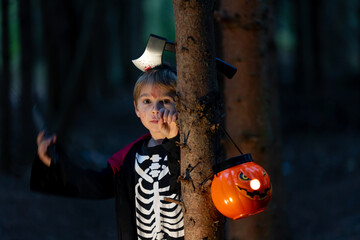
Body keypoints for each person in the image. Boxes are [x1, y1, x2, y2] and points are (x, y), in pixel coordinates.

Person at [30, 65, 184, 240]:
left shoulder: (188, 148)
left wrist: (174, 141)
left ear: (179, 105)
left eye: (165, 101)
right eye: (147, 101)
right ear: (136, 109)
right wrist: (54, 162)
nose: (155, 109)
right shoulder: (129, 156)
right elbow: (96, 185)